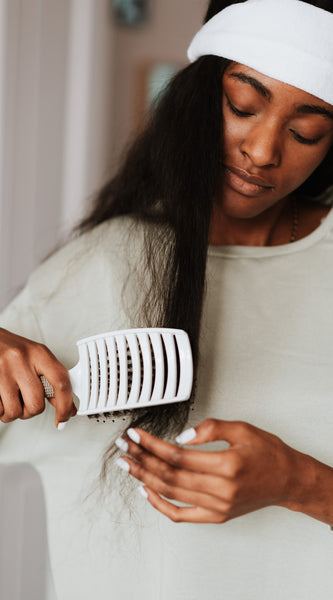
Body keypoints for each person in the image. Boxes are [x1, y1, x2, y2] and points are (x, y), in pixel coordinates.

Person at [0, 0, 333, 598]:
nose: (263, 150)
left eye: (306, 130)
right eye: (243, 106)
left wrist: (299, 482)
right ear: (199, 96)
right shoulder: (99, 265)